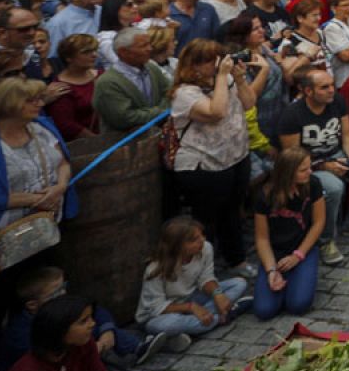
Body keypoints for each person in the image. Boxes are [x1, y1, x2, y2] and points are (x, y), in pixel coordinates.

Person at [0, 76, 77, 359]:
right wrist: (35, 199)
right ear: (10, 104)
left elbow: (63, 162)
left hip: (43, 230)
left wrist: (60, 186)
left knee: (45, 297)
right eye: (31, 100)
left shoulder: (42, 128)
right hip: (2, 240)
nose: (40, 103)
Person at [168, 41, 259, 273]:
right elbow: (216, 112)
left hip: (236, 156)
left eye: (219, 58)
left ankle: (236, 260)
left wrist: (237, 79)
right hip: (202, 165)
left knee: (232, 212)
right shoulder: (184, 93)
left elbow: (249, 103)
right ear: (193, 65)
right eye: (211, 60)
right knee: (205, 221)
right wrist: (222, 77)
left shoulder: (225, 80)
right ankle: (200, 272)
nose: (217, 64)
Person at [277, 68, 349, 265]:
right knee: (333, 188)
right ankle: (325, 240)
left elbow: (347, 135)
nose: (332, 90)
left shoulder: (337, 102)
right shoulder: (292, 115)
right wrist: (324, 166)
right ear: (308, 91)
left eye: (332, 85)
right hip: (309, 164)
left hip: (337, 154)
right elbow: (293, 158)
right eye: (325, 87)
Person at [135, 217, 249, 350]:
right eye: (194, 239)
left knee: (239, 283)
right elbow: (156, 307)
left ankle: (183, 331)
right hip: (160, 314)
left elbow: (206, 278)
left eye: (202, 235)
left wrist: (218, 294)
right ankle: (224, 316)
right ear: (177, 245)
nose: (202, 240)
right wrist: (191, 307)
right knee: (163, 325)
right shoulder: (155, 269)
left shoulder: (205, 248)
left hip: (192, 297)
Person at [251, 147, 324, 320]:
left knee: (298, 305)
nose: (310, 172)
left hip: (302, 249)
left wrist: (298, 256)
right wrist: (271, 270)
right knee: (264, 310)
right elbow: (262, 238)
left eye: (309, 167)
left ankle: (296, 278)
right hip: (275, 252)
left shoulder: (313, 184)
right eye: (303, 170)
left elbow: (318, 223)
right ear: (288, 173)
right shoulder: (265, 195)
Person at [0, 295, 125, 371]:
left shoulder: (84, 344)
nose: (92, 324)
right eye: (83, 321)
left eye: (91, 317)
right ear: (59, 330)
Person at [90, 27, 171, 134]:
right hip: (126, 145)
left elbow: (171, 92)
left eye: (149, 44)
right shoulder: (107, 83)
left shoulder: (152, 68)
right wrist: (163, 111)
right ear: (123, 52)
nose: (150, 49)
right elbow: (124, 118)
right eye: (143, 46)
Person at [43, 35, 100, 141]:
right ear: (69, 58)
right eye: (86, 52)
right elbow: (66, 126)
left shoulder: (101, 76)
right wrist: (97, 140)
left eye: (94, 50)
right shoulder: (61, 88)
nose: (94, 55)